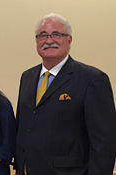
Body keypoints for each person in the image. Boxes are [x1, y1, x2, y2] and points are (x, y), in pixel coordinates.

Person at [15, 13, 116, 175]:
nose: (49, 41)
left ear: (69, 40)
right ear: (36, 41)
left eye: (56, 35)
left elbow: (104, 142)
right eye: (43, 35)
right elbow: (24, 125)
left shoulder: (92, 79)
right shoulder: (27, 77)